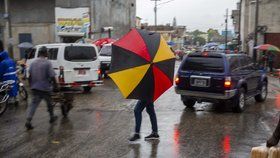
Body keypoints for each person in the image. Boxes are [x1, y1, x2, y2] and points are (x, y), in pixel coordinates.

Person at [25, 46, 59, 130]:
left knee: (34, 105)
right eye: (47, 52)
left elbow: (29, 76)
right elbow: (52, 76)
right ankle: (51, 117)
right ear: (45, 53)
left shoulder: (33, 63)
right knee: (49, 103)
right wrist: (56, 86)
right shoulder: (47, 63)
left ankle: (28, 120)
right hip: (45, 88)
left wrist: (31, 85)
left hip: (35, 88)